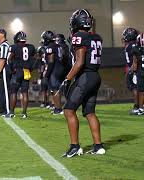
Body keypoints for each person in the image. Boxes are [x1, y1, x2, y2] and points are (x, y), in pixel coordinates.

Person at [61, 9, 105, 157]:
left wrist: (67, 78)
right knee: (90, 112)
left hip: (85, 77)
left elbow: (79, 62)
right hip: (95, 76)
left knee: (68, 110)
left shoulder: (78, 36)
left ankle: (75, 146)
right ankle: (98, 146)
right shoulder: (96, 37)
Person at [6, 31, 36, 118]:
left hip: (18, 71)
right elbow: (35, 59)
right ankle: (24, 113)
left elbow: (9, 59)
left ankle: (11, 112)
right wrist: (30, 68)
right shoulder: (31, 47)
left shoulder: (13, 47)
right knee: (25, 93)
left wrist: (12, 70)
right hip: (26, 71)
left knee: (13, 92)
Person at [41, 31, 67, 115]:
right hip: (60, 68)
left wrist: (47, 74)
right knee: (56, 89)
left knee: (55, 89)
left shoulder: (50, 47)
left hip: (55, 69)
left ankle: (58, 109)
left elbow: (51, 61)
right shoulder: (58, 46)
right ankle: (57, 107)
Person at [122, 27, 140, 114]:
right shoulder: (136, 44)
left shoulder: (130, 46)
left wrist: (131, 70)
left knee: (135, 88)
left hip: (134, 69)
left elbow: (134, 59)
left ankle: (137, 107)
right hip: (138, 69)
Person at [0, 28, 10, 116]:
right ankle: (2, 109)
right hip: (2, 70)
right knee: (1, 91)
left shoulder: (4, 46)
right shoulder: (3, 45)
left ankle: (6, 110)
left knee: (5, 91)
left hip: (4, 70)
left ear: (2, 35)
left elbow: (2, 60)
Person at [131, 33, 144, 115]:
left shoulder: (136, 49)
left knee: (141, 91)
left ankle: (141, 108)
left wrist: (134, 73)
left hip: (141, 72)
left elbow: (135, 63)